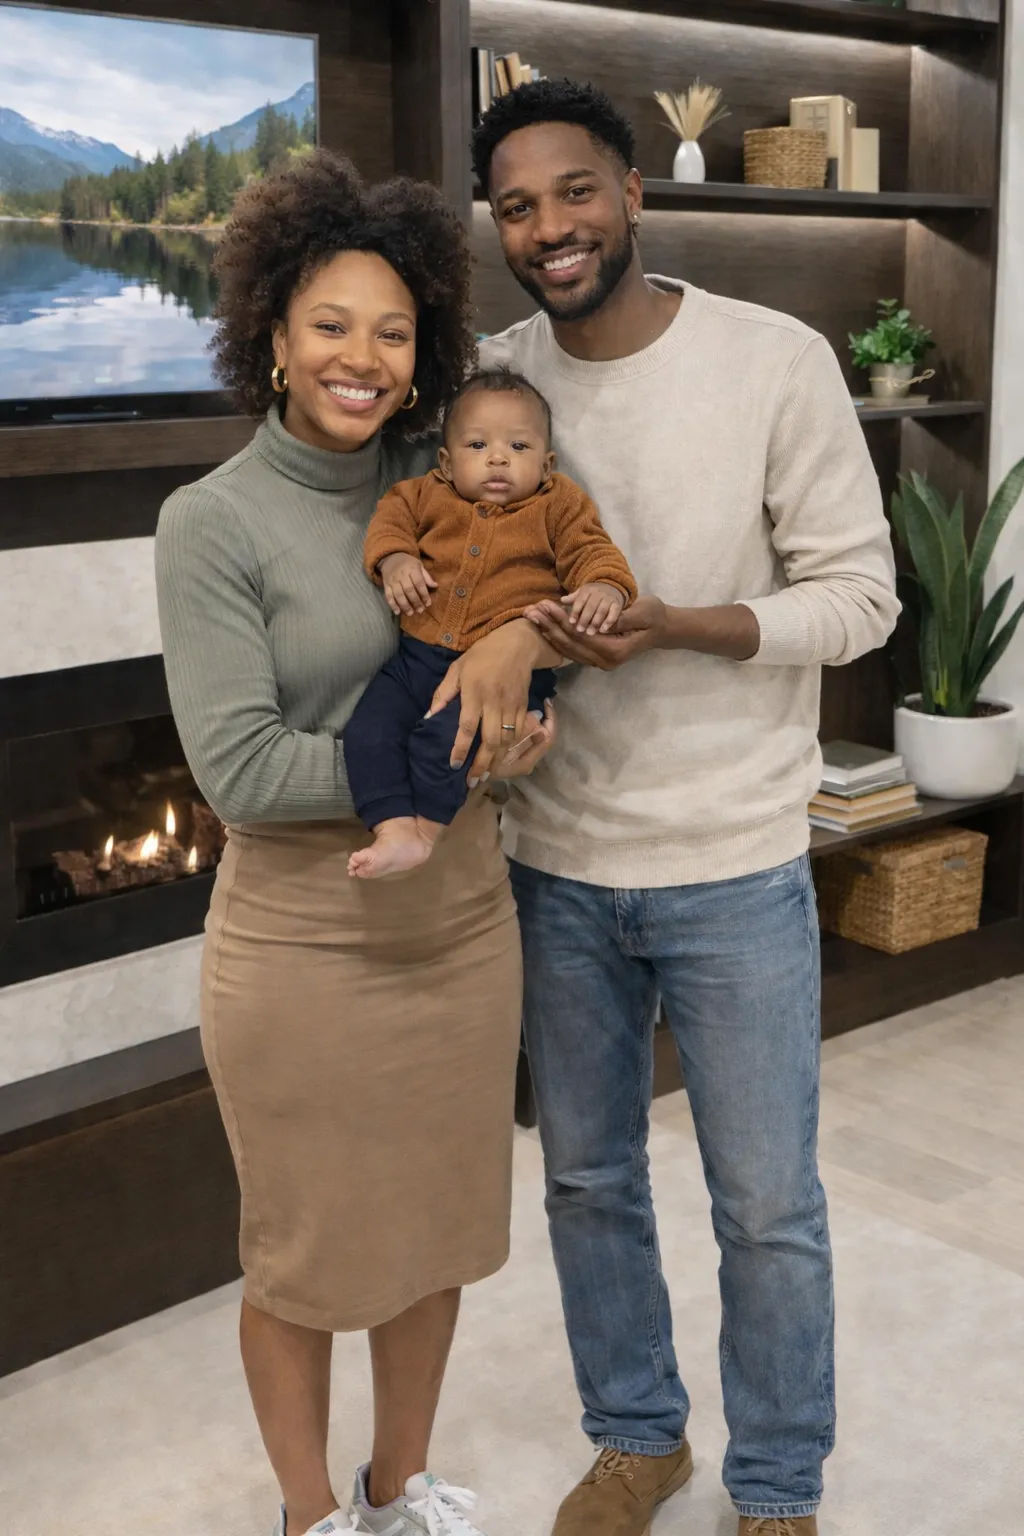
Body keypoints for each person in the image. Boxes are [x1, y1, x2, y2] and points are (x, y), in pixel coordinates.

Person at [459, 79, 901, 1536]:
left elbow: (861, 600)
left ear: (635, 193)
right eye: (516, 207)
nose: (549, 227)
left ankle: (776, 1485)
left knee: (766, 1204)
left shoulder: (773, 360)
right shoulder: (492, 385)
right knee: (587, 1183)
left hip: (734, 861)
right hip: (555, 861)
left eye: (575, 191)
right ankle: (637, 1438)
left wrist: (673, 625)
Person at [154, 150, 558, 1536]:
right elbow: (244, 769)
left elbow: (529, 629)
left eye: (393, 332)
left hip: (463, 927)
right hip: (306, 948)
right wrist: (452, 755)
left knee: (435, 1230)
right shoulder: (212, 522)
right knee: (307, 1255)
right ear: (270, 333)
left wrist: (520, 698)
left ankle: (400, 1484)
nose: (362, 358)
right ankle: (311, 1512)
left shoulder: (449, 486)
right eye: (330, 324)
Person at [343, 366, 636, 878]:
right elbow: (389, 522)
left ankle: (424, 833)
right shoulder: (423, 494)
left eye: (518, 447)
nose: (498, 458)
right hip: (417, 659)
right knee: (369, 731)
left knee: (445, 742)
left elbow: (593, 550)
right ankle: (391, 826)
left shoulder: (558, 504)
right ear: (446, 461)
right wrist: (395, 560)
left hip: (507, 675)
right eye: (477, 445)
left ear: (546, 464)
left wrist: (604, 586)